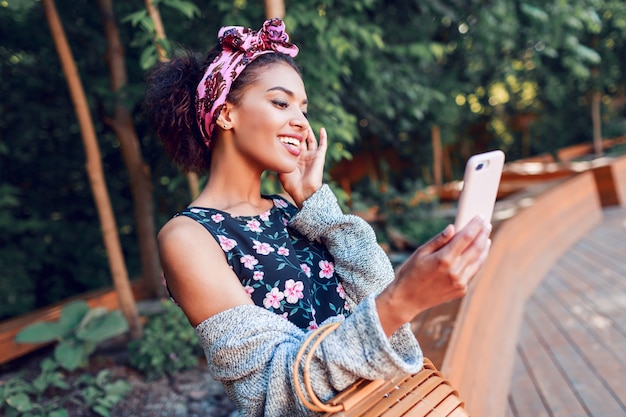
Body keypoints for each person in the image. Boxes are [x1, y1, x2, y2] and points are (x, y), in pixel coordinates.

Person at [144, 18, 491, 417]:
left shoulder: (293, 211)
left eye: (303, 109)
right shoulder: (189, 237)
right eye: (281, 102)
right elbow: (272, 388)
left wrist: (312, 199)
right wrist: (404, 299)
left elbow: (378, 297)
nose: (301, 122)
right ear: (226, 114)